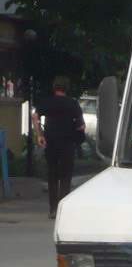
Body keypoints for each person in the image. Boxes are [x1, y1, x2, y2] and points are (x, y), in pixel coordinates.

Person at [31, 76, 86, 219]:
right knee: (66, 177)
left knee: (53, 175)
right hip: (68, 144)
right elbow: (81, 125)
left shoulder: (48, 102)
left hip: (51, 142)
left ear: (54, 87)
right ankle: (63, 209)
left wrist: (39, 135)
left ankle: (53, 209)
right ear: (67, 88)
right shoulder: (73, 104)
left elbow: (34, 116)